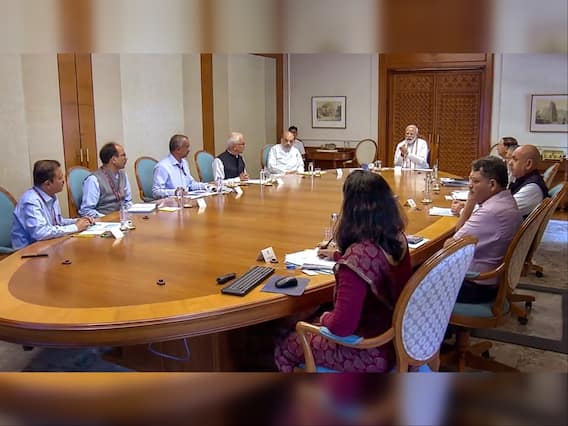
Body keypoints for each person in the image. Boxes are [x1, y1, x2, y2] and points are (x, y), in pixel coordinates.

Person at [274, 170, 413, 372]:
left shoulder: (356, 259)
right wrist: (339, 256)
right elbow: (376, 264)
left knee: (284, 342)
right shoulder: (398, 239)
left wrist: (324, 318)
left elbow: (342, 326)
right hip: (398, 342)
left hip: (368, 351)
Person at [448, 156, 522, 303]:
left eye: (475, 181)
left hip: (476, 285)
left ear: (492, 184)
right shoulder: (506, 200)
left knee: (412, 279)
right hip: (490, 280)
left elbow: (450, 247)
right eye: (470, 180)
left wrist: (470, 202)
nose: (470, 186)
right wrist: (471, 200)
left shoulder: (491, 212)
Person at [11, 160, 95, 250]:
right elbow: (40, 232)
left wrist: (78, 221)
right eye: (60, 178)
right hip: (27, 252)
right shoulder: (31, 201)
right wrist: (75, 227)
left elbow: (58, 222)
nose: (63, 181)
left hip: (48, 245)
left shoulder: (51, 195)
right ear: (47, 184)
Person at [79, 142, 133, 217]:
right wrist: (107, 218)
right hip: (104, 220)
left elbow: (128, 201)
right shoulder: (93, 180)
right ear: (113, 160)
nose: (126, 158)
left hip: (123, 218)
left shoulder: (123, 175)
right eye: (123, 155)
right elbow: (86, 211)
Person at [152, 134, 209, 199]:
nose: (189, 150)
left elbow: (190, 184)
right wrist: (175, 192)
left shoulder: (184, 163)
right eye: (187, 147)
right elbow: (156, 192)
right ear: (178, 150)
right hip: (171, 202)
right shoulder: (162, 167)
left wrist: (207, 185)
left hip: (186, 199)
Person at [508, 144, 548, 217]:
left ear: (528, 164)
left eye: (515, 159)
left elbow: (503, 210)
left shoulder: (533, 188)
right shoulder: (522, 178)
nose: (510, 163)